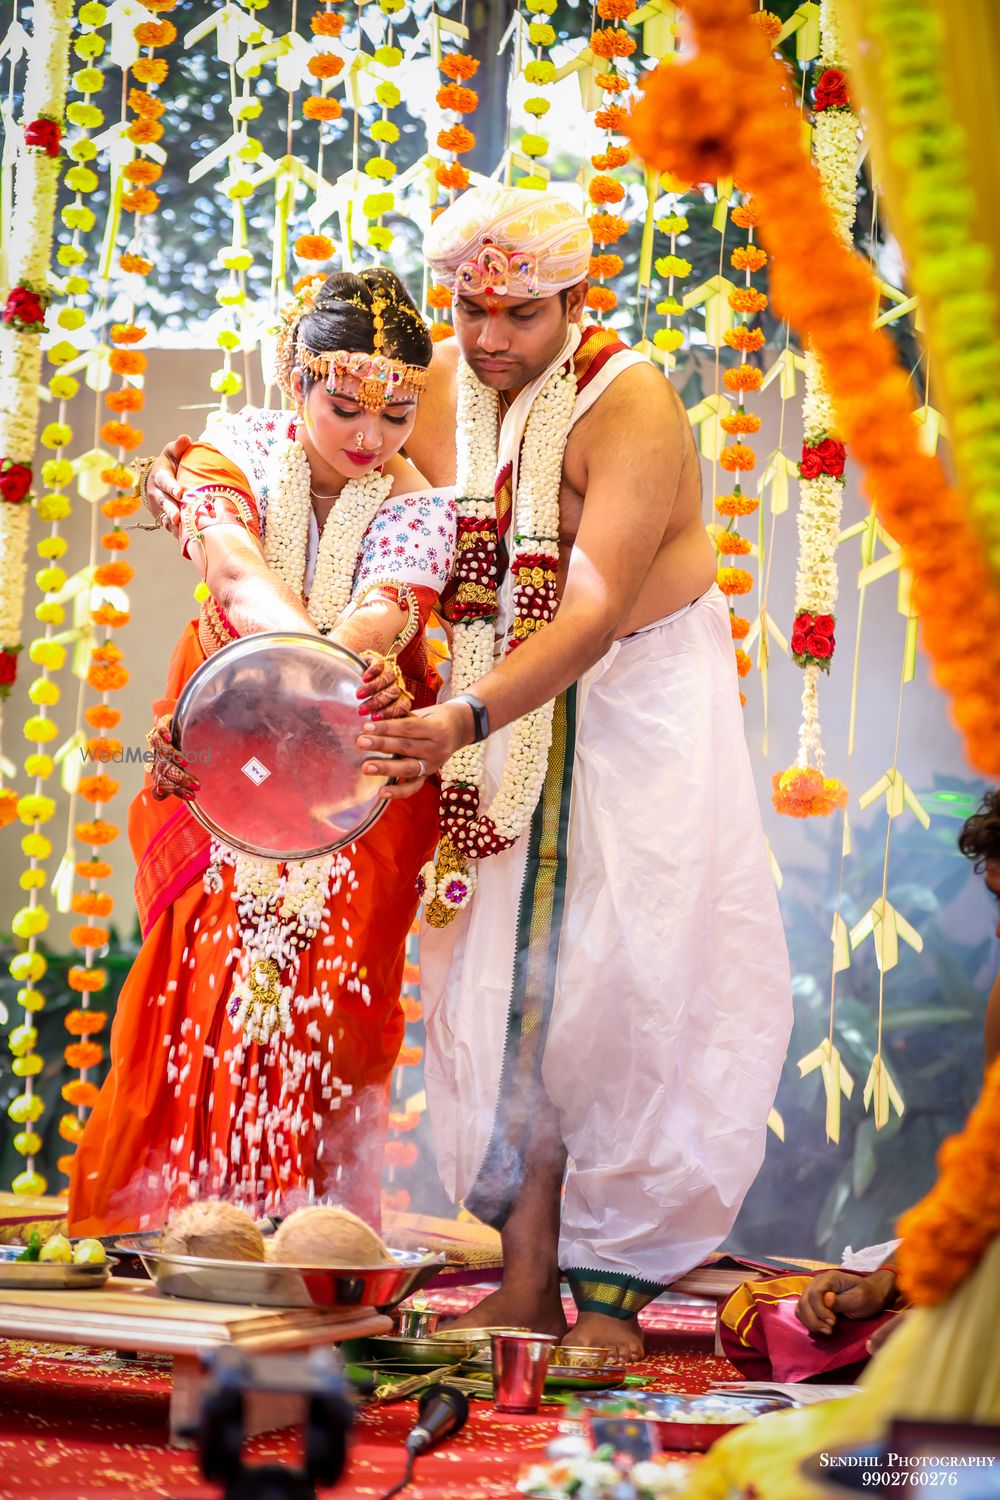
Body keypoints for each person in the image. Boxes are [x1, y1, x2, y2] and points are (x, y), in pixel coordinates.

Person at [143, 187, 793, 1360]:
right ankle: (524, 1279)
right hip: (478, 706)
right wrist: (196, 495)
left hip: (633, 701)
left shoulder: (624, 400)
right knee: (499, 987)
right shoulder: (438, 378)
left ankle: (609, 1299)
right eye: (470, 306)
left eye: (521, 314)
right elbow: (348, 489)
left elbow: (589, 616)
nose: (489, 337)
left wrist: (456, 715)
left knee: (622, 979)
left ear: (578, 301)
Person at [68, 269, 456, 1235]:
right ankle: (155, 1226)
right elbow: (235, 572)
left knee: (333, 1003)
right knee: (191, 987)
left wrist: (323, 678)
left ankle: (308, 1228)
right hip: (216, 758)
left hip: (352, 778)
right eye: (346, 406)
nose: (370, 437)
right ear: (296, 379)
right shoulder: (228, 453)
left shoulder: (419, 508)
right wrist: (281, 685)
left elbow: (380, 619)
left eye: (399, 413)